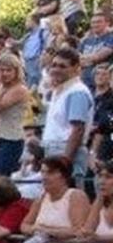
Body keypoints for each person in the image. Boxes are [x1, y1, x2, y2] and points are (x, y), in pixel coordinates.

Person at [41, 48, 94, 178]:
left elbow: (77, 129)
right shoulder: (62, 89)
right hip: (54, 150)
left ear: (76, 67)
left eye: (62, 66)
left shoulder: (77, 92)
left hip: (66, 152)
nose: (56, 69)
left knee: (71, 196)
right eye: (54, 65)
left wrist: (65, 160)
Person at [0, 54, 31, 175]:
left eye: (9, 70)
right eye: (1, 70)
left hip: (10, 138)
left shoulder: (20, 89)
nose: (4, 73)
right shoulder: (0, 88)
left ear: (16, 71)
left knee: (0, 175)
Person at [79, 11, 113, 90]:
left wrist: (86, 60)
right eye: (93, 22)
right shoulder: (86, 41)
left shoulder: (110, 38)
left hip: (102, 84)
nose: (95, 25)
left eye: (99, 22)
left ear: (107, 23)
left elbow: (99, 56)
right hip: (84, 81)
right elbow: (77, 59)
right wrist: (90, 60)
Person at [87, 64, 113, 167]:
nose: (100, 77)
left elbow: (103, 125)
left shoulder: (110, 98)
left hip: (103, 141)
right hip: (87, 137)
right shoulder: (88, 94)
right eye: (98, 74)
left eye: (104, 74)